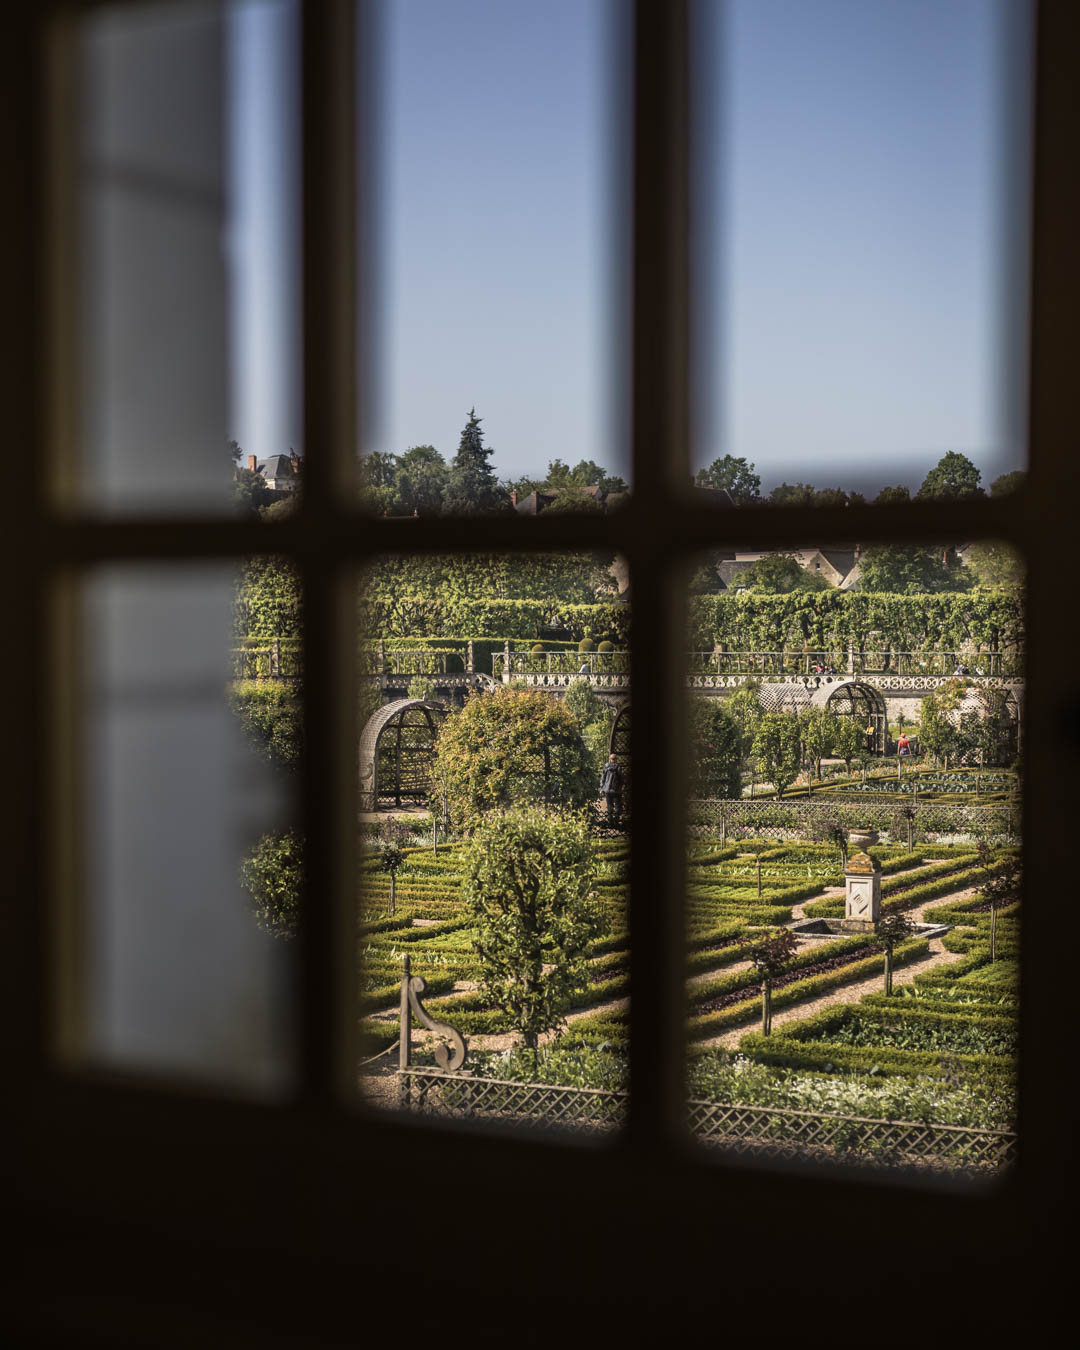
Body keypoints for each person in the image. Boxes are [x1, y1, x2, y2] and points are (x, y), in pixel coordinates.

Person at [600, 753, 624, 826]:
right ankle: (616, 822)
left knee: (609, 806)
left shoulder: (606, 766)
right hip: (616, 790)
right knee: (617, 806)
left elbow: (603, 778)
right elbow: (622, 779)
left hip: (607, 790)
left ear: (610, 759)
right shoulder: (618, 767)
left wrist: (601, 788)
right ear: (615, 759)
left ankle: (610, 822)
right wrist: (623, 786)